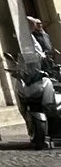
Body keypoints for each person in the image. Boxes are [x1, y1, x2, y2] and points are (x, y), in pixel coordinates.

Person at [18, 14, 57, 148]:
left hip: (44, 69)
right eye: (34, 24)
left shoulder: (40, 35)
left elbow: (46, 49)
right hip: (31, 72)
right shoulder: (22, 38)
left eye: (36, 23)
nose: (36, 26)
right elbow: (24, 55)